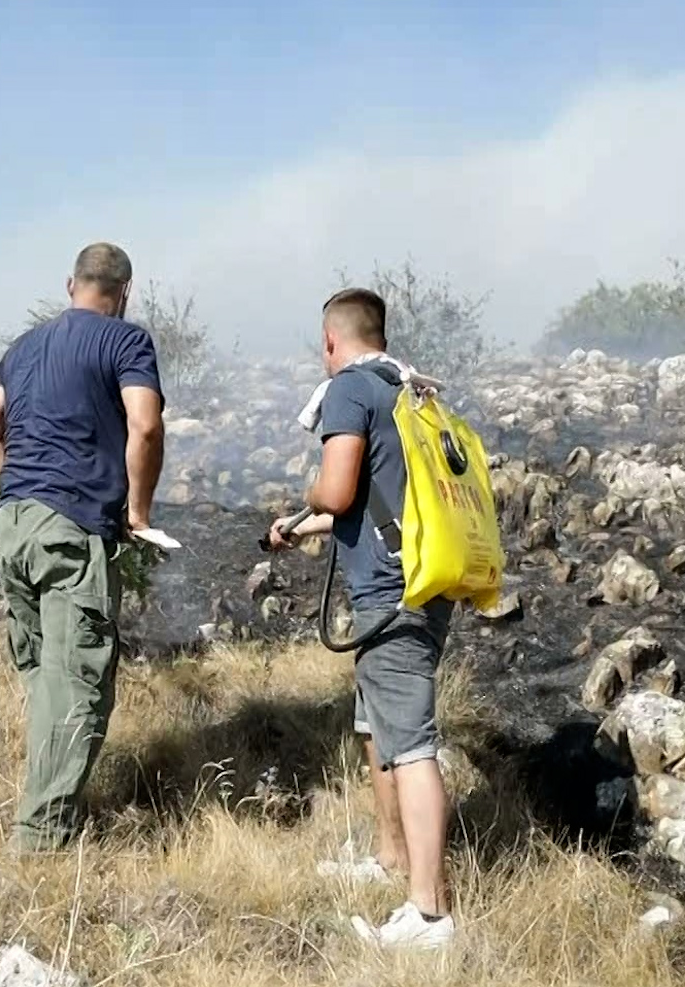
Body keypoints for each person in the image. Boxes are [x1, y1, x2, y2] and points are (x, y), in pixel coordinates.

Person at [268, 287, 457, 950]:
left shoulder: (350, 388)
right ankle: (390, 857)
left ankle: (430, 917)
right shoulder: (408, 391)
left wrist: (313, 496)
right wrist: (305, 527)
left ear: (330, 340)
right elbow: (377, 501)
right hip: (423, 582)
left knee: (410, 745)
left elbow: (340, 487)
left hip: (390, 596)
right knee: (378, 725)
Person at [0, 242, 165, 852]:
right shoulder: (125, 342)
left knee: (44, 678)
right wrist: (136, 511)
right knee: (77, 680)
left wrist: (22, 483)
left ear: (70, 284)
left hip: (12, 525)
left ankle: (44, 803)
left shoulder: (23, 348)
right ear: (125, 291)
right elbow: (146, 423)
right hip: (71, 529)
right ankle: (40, 842)